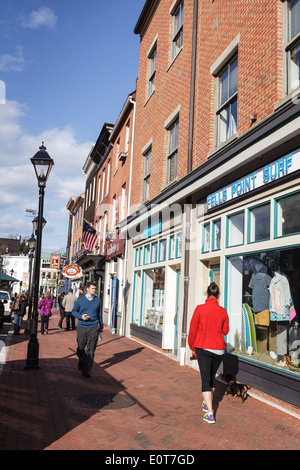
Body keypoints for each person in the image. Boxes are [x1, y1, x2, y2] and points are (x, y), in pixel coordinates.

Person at [188, 282, 229, 424]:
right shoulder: (223, 311)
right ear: (218, 295)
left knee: (205, 378)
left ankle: (210, 413)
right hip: (219, 349)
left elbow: (192, 330)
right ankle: (207, 403)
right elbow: (225, 330)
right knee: (211, 376)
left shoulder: (200, 309)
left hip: (203, 347)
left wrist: (192, 346)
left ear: (207, 294)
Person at [72, 281, 103, 378]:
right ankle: (81, 360)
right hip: (82, 327)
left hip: (93, 327)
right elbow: (74, 311)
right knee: (80, 348)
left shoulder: (98, 300)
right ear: (87, 289)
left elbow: (100, 314)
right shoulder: (80, 300)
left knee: (91, 349)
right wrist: (81, 317)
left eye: (95, 288)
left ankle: (86, 370)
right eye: (92, 288)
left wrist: (101, 326)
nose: (94, 290)